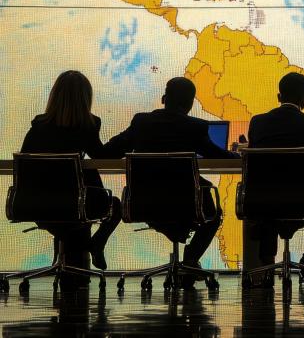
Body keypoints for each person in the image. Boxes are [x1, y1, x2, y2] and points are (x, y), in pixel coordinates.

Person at [103, 77, 237, 285]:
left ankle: (188, 261)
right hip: (187, 206)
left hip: (145, 205)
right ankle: (190, 260)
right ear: (191, 103)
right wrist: (241, 155)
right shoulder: (196, 127)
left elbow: (109, 153)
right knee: (213, 210)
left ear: (164, 98)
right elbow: (217, 154)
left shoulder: (140, 123)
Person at [20, 71, 123, 286]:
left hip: (38, 205)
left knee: (74, 199)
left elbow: (25, 164)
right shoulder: (88, 125)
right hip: (78, 205)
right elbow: (101, 156)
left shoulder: (38, 126)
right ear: (86, 97)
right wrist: (126, 140)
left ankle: (70, 257)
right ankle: (96, 244)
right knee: (114, 205)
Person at [247, 72, 304, 284]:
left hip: (265, 201)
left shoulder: (258, 123)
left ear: (279, 96)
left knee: (269, 200)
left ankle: (268, 264)